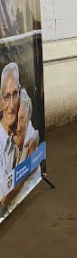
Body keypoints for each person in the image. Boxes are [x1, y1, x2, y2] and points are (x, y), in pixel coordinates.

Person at [0, 63, 19, 197]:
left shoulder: (17, 135)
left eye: (15, 94)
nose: (11, 106)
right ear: (0, 101)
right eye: (7, 97)